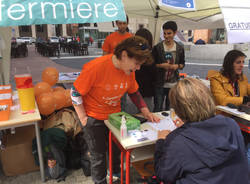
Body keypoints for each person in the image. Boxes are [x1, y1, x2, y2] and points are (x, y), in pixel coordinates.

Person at [71, 36, 160, 184]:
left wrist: (146, 112)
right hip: (94, 118)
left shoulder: (128, 70)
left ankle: (116, 175)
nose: (138, 68)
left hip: (115, 117)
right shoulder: (95, 67)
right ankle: (100, 181)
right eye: (137, 63)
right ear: (124, 55)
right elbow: (74, 93)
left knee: (116, 150)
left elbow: (134, 92)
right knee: (98, 156)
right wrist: (83, 119)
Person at [154, 78, 248, 184]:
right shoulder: (231, 124)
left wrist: (161, 142)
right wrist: (189, 126)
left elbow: (163, 174)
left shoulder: (178, 140)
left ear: (178, 109)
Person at [210, 49, 250, 174]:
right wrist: (244, 99)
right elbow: (222, 100)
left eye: (243, 62)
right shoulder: (216, 78)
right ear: (229, 63)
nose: (242, 65)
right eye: (238, 62)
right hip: (224, 120)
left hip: (241, 120)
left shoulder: (242, 78)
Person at [152, 21, 185, 112]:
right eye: (164, 33)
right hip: (159, 83)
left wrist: (177, 66)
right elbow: (151, 64)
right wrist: (161, 65)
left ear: (175, 33)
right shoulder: (157, 47)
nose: (166, 36)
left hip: (173, 83)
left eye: (169, 33)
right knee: (157, 108)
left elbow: (182, 64)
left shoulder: (179, 48)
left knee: (170, 109)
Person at [102, 15, 133, 112]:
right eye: (120, 23)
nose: (122, 26)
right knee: (111, 98)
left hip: (125, 74)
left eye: (124, 23)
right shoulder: (110, 38)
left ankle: (121, 117)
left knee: (123, 99)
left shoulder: (131, 38)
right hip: (112, 74)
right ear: (116, 24)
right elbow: (104, 57)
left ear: (127, 24)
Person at [134, 28, 154, 111]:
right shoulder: (135, 53)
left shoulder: (151, 53)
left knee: (145, 109)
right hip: (137, 87)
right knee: (142, 110)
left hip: (146, 88)